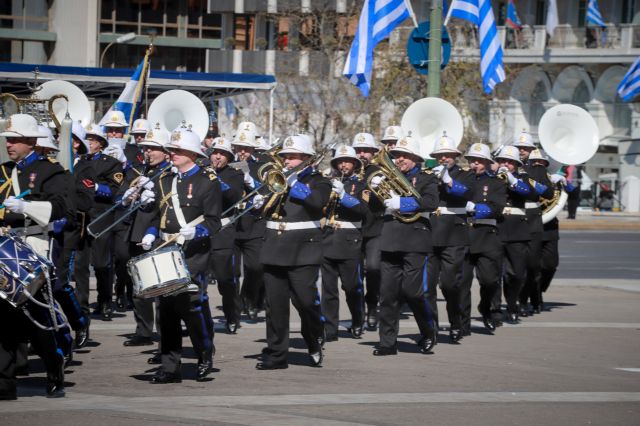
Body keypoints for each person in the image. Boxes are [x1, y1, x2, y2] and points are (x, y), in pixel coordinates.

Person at [140, 126, 221, 383]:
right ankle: (170, 367)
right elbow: (157, 216)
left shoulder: (207, 183)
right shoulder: (165, 180)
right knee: (166, 310)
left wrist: (195, 232)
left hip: (193, 253)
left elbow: (214, 222)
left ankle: (204, 352)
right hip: (165, 251)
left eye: (177, 150)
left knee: (191, 307)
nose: (171, 153)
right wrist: (151, 233)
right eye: (171, 150)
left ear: (192, 154)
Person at [0, 113, 72, 398]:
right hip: (5, 249)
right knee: (2, 318)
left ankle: (54, 368)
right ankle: (4, 383)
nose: (10, 144)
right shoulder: (4, 170)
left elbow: (62, 207)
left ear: (31, 141)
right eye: (8, 139)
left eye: (16, 139)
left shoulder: (51, 172)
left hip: (34, 248)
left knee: (37, 319)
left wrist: (25, 207)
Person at [257, 134, 331, 370]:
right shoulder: (274, 180)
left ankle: (314, 336)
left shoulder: (319, 181)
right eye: (285, 157)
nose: (287, 161)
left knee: (305, 301)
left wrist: (293, 184)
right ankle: (276, 354)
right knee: (275, 305)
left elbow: (318, 202)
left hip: (303, 249)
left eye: (292, 157)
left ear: (307, 159)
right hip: (274, 246)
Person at [370, 134, 439, 356]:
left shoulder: (427, 178)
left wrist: (404, 202)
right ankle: (387, 343)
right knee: (387, 295)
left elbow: (431, 202)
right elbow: (374, 209)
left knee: (413, 292)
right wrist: (375, 189)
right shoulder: (386, 177)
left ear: (415, 158)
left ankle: (429, 331)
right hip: (391, 238)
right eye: (397, 155)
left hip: (416, 239)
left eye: (405, 156)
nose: (399, 159)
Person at [121, 125, 171, 347]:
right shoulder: (142, 170)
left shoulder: (170, 172)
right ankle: (143, 330)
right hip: (137, 232)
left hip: (158, 234)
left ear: (165, 151)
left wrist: (155, 192)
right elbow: (121, 196)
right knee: (138, 286)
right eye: (146, 148)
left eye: (153, 148)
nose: (148, 152)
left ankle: (165, 334)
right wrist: (128, 197)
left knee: (160, 288)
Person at [427, 133, 475, 342]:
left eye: (447, 155)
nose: (443, 159)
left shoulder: (465, 174)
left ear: (455, 156)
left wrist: (447, 180)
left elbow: (466, 193)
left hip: (454, 235)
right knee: (427, 287)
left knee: (449, 284)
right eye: (439, 155)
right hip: (429, 234)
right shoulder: (428, 174)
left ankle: (456, 321)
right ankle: (431, 328)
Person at [74, 123, 124, 321]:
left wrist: (95, 187)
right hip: (81, 217)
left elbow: (114, 191)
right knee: (80, 265)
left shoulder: (110, 163)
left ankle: (105, 301)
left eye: (92, 140)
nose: (88, 142)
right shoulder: (78, 161)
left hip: (100, 216)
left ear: (101, 144)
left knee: (102, 264)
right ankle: (81, 304)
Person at [321, 145, 368, 341]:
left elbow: (362, 210)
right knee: (328, 289)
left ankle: (358, 320)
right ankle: (330, 328)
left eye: (347, 161)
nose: (343, 165)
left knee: (351, 287)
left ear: (355, 164)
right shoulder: (329, 181)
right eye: (340, 161)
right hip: (329, 237)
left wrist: (343, 195)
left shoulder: (362, 184)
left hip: (350, 239)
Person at [459, 143, 507, 333]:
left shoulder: (496, 183)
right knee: (462, 284)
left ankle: (486, 308)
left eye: (479, 161)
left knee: (489, 281)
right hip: (463, 236)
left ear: (487, 163)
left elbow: (497, 208)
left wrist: (476, 209)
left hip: (486, 237)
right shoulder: (463, 180)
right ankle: (463, 323)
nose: (475, 164)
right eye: (472, 160)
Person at [512, 133, 554, 316]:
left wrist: (530, 181)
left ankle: (525, 299)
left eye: (525, 148)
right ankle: (515, 302)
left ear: (531, 151)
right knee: (515, 267)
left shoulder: (537, 170)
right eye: (519, 148)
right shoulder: (508, 167)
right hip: (513, 219)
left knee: (532, 265)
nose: (522, 151)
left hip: (532, 218)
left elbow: (549, 194)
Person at [493, 146, 536, 323]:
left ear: (516, 165)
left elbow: (531, 194)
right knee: (494, 274)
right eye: (503, 161)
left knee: (517, 274)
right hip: (496, 228)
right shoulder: (492, 179)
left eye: (510, 162)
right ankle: (494, 310)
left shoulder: (523, 178)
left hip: (518, 231)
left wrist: (512, 180)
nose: (506, 164)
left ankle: (512, 304)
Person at [208, 135, 244, 333]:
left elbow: (234, 196)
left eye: (222, 154)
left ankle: (232, 316)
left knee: (225, 280)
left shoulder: (234, 174)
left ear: (229, 157)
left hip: (223, 231)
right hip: (201, 231)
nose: (217, 157)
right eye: (215, 153)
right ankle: (199, 319)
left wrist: (216, 180)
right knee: (198, 280)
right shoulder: (202, 171)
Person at [232, 122, 267, 321]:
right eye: (240, 148)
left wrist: (252, 183)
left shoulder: (261, 166)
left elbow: (270, 188)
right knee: (232, 271)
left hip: (254, 222)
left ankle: (251, 298)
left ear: (253, 148)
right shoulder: (228, 163)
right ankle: (235, 308)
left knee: (255, 267)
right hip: (233, 224)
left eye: (246, 148)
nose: (243, 152)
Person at [351, 132, 384, 329]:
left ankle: (373, 305)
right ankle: (358, 312)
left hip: (375, 227)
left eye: (366, 151)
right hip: (353, 229)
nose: (362, 154)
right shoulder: (348, 171)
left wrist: (379, 189)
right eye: (358, 151)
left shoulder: (380, 171)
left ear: (373, 152)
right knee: (354, 274)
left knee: (373, 268)